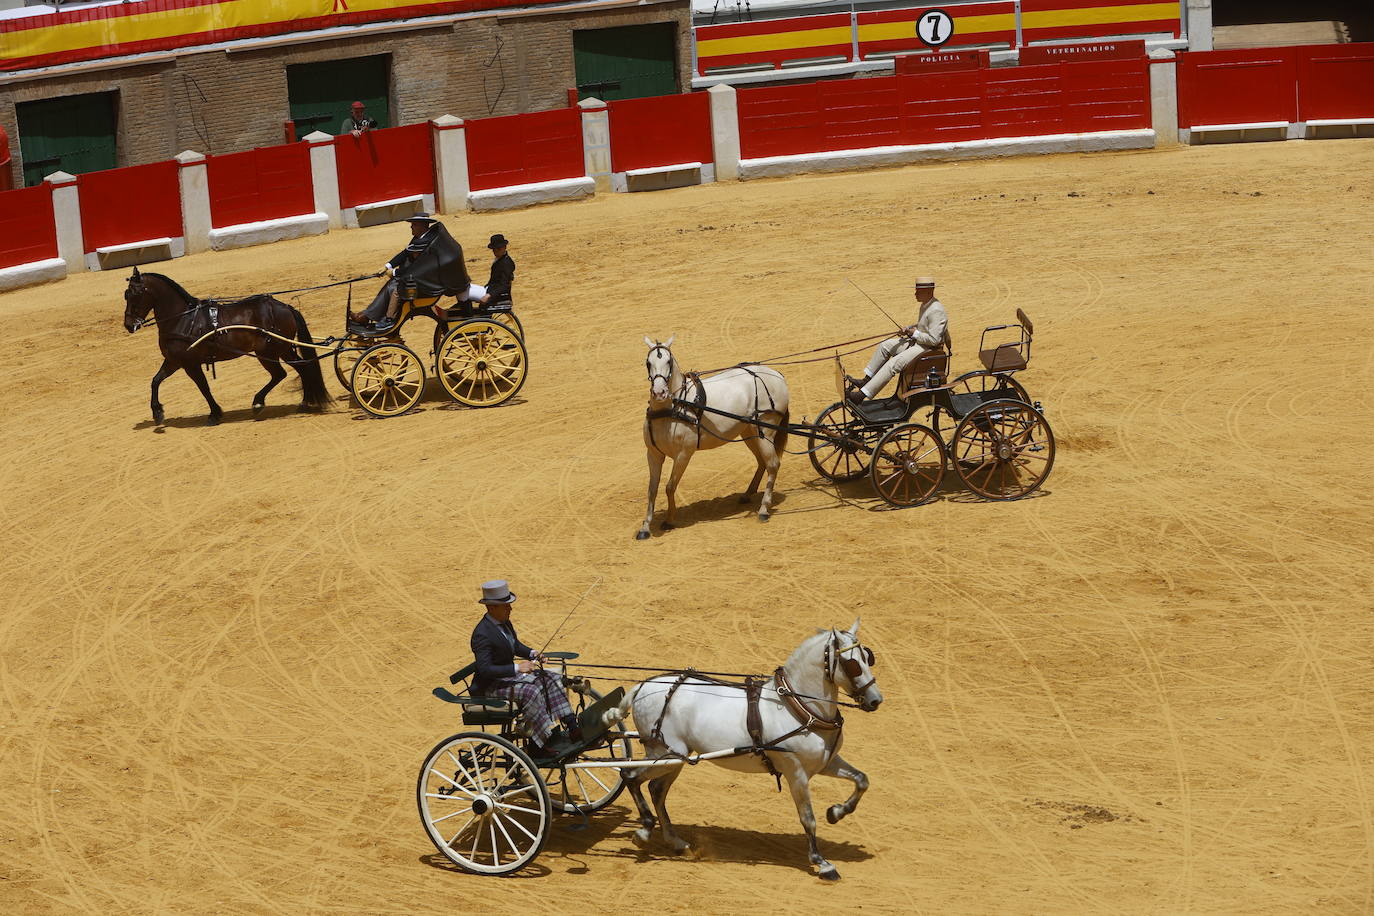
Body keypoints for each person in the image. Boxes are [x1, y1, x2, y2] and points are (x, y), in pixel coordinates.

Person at [470, 579, 582, 758]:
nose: (510, 609)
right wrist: (517, 668)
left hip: (506, 680)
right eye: (505, 606)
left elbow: (514, 645)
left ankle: (571, 724)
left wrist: (532, 653)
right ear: (491, 608)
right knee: (531, 691)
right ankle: (537, 744)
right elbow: (485, 669)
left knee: (549, 678)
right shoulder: (481, 634)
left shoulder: (504, 623)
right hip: (491, 686)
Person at [361, 213, 473, 331]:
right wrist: (387, 266)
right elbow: (405, 253)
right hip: (421, 278)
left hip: (427, 283)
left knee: (396, 290)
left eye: (414, 224)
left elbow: (417, 269)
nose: (411, 227)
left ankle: (389, 319)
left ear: (423, 226)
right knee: (391, 285)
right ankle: (368, 315)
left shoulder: (426, 242)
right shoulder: (421, 238)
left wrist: (395, 272)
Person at [847, 277, 949, 404]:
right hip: (919, 343)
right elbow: (924, 325)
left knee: (892, 365)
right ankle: (866, 380)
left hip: (928, 349)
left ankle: (862, 395)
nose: (915, 293)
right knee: (885, 345)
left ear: (929, 291)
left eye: (918, 291)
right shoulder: (926, 305)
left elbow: (934, 340)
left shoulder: (936, 310)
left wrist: (914, 333)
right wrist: (909, 329)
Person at [478, 233, 515, 306]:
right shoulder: (500, 260)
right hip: (490, 289)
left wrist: (489, 295)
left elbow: (504, 285)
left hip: (496, 294)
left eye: (498, 248)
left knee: (465, 294)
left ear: (505, 247)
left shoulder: (506, 263)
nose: (495, 251)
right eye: (494, 249)